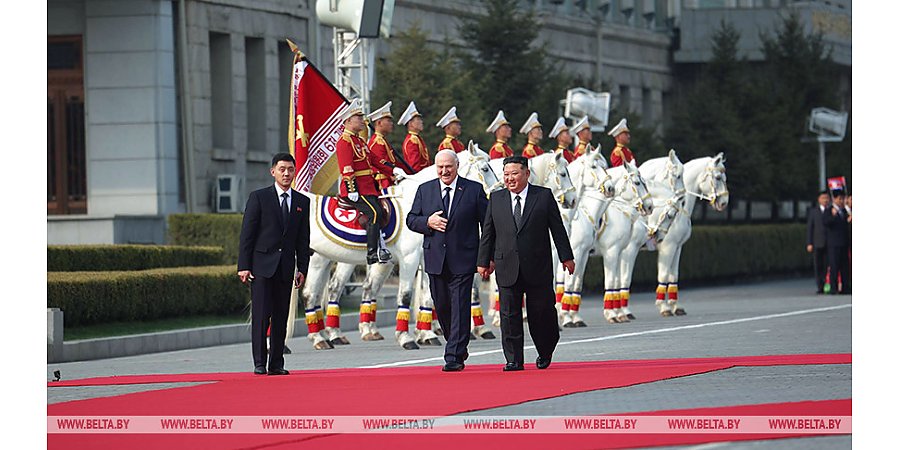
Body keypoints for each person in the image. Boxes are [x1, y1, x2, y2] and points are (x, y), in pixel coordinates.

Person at [477, 156, 575, 371]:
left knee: (542, 313)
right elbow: (488, 233)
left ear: (526, 173)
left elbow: (557, 229)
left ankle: (545, 349)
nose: (510, 178)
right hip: (506, 266)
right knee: (509, 315)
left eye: (514, 173)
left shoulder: (543, 196)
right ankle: (514, 359)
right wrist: (484, 261)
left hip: (537, 266)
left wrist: (567, 257)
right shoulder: (496, 198)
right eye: (506, 174)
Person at [407, 150, 489, 372]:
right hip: (435, 260)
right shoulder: (425, 190)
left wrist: (486, 257)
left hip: (463, 258)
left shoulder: (473, 190)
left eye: (448, 167)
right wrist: (428, 222)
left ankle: (453, 356)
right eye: (440, 167)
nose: (444, 171)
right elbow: (411, 220)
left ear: (457, 166)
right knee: (442, 305)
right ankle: (457, 345)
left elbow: (487, 225)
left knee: (460, 306)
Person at [238, 153, 311, 376]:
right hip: (261, 267)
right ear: (273, 172)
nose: (286, 173)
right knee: (261, 316)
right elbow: (247, 235)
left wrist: (303, 269)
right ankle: (259, 362)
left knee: (281, 317)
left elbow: (303, 239)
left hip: (286, 268)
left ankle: (276, 363)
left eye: (290, 169)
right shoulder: (259, 198)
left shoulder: (301, 201)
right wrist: (244, 265)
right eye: (282, 169)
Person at [335, 99, 393, 265]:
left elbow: (374, 160)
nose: (363, 120)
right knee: (374, 213)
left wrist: (392, 170)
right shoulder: (344, 142)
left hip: (368, 187)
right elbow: (347, 169)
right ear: (348, 121)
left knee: (382, 210)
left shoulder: (359, 141)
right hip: (356, 189)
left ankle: (383, 247)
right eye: (358, 117)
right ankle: (372, 253)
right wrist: (351, 189)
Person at [366, 101, 408, 189]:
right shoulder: (377, 143)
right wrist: (393, 175)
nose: (391, 123)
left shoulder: (383, 140)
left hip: (390, 179)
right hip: (383, 183)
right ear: (379, 123)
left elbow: (393, 162)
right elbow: (381, 165)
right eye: (388, 121)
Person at [823, 191, 851, 295]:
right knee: (834, 266)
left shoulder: (844, 211)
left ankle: (845, 287)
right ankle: (833, 288)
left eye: (843, 199)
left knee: (845, 267)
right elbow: (826, 222)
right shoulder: (829, 210)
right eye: (839, 199)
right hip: (834, 244)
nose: (841, 201)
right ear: (834, 199)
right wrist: (833, 216)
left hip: (844, 243)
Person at [806, 190, 831, 294]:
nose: (825, 200)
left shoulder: (831, 211)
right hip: (817, 242)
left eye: (826, 198)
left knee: (827, 265)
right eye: (823, 198)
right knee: (817, 265)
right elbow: (810, 228)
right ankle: (819, 285)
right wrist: (809, 243)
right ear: (819, 200)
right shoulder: (814, 212)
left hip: (829, 243)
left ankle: (826, 283)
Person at [399, 101, 430, 174]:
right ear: (411, 124)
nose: (421, 122)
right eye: (418, 120)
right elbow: (414, 165)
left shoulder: (417, 138)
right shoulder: (412, 140)